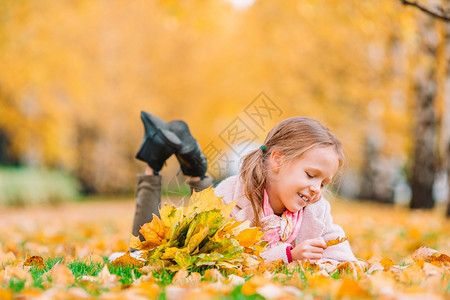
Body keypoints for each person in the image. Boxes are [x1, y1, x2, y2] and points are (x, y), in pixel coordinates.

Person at [115, 111, 357, 264]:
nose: (316, 189)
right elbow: (229, 257)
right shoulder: (234, 196)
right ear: (277, 160)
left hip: (209, 214)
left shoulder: (316, 210)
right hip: (198, 234)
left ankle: (195, 165)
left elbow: (339, 250)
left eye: (323, 183)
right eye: (310, 175)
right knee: (142, 246)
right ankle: (154, 162)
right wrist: (289, 256)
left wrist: (344, 264)